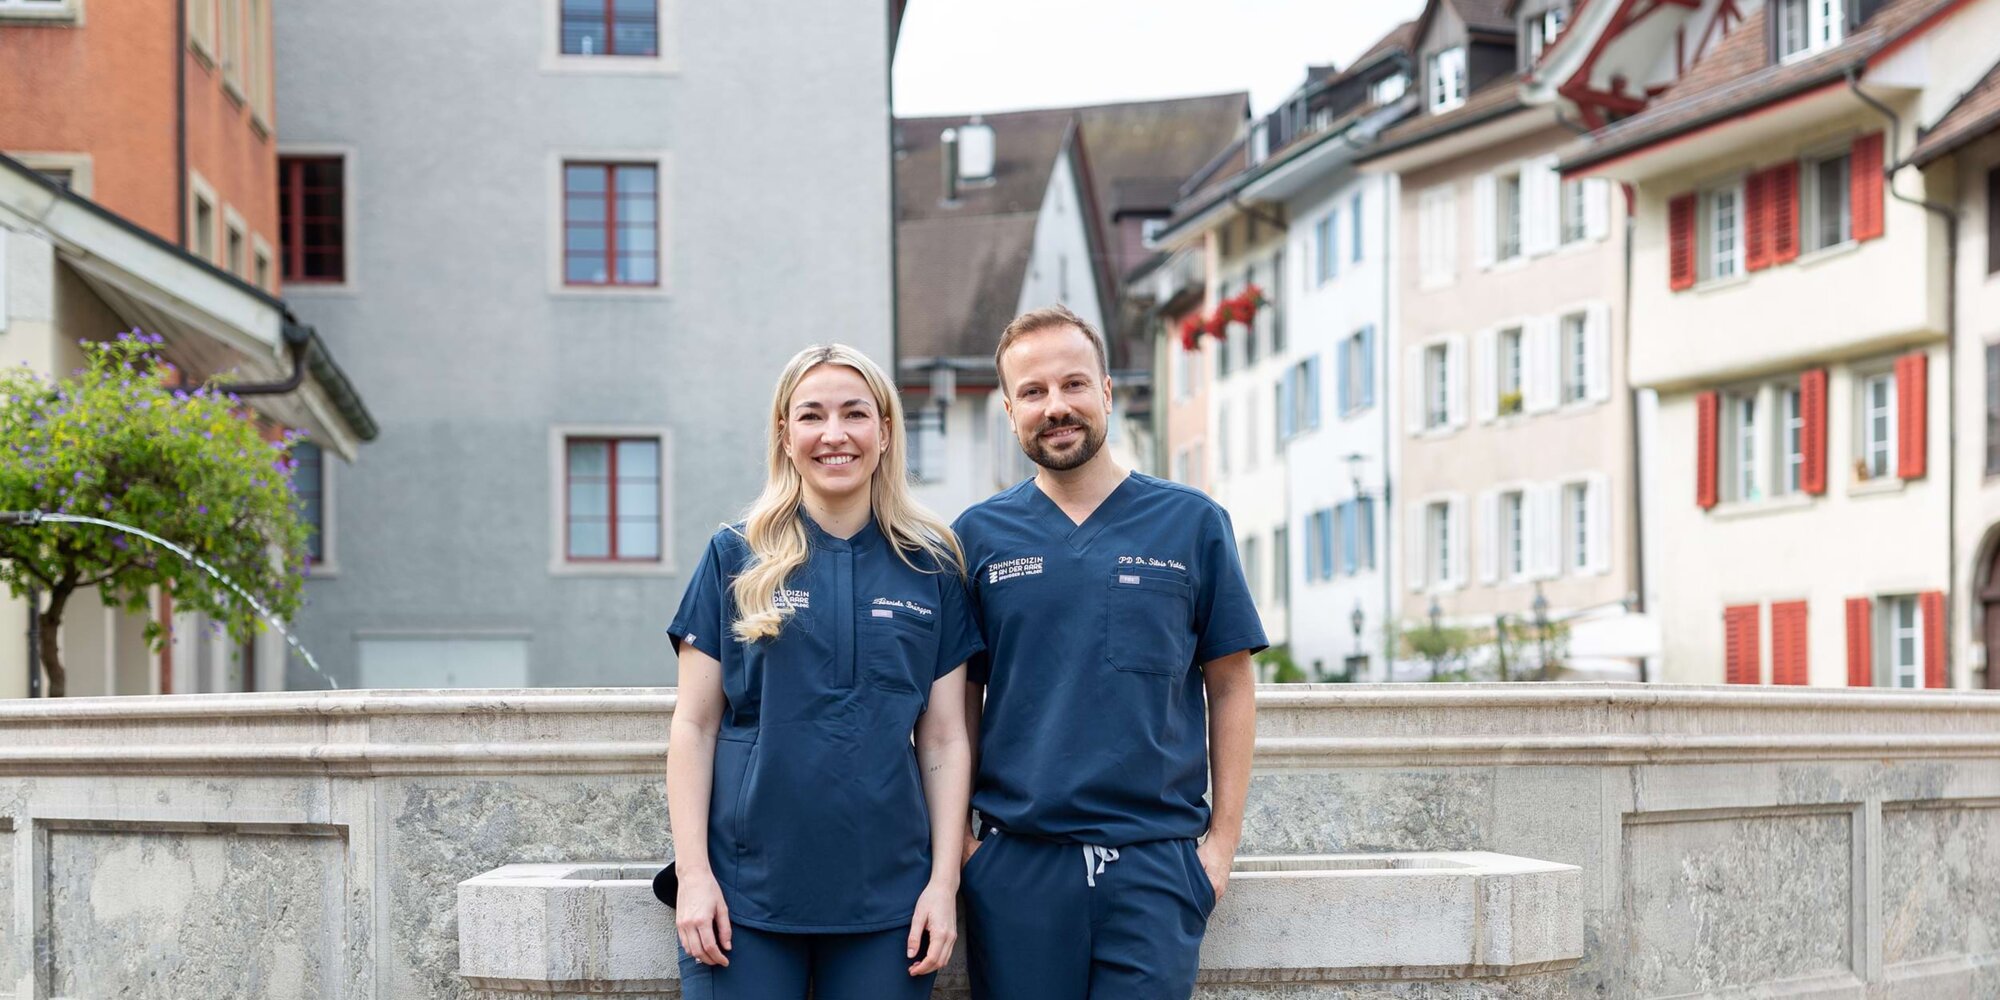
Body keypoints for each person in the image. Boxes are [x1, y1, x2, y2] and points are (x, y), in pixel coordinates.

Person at [954, 305, 1265, 999]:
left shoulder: (1192, 523)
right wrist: (970, 856)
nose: (1055, 407)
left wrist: (1219, 848)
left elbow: (1232, 685)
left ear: (1107, 391)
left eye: (1073, 384)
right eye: (1033, 392)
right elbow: (956, 705)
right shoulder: (976, 538)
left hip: (1155, 870)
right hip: (1018, 871)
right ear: (1009, 410)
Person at [666, 343, 980, 1000]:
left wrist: (942, 884)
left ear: (885, 431)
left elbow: (946, 737)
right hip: (743, 897)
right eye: (812, 416)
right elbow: (694, 726)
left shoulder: (932, 566)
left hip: (889, 902)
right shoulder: (734, 556)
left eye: (854, 414)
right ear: (785, 435)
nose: (834, 434)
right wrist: (694, 876)